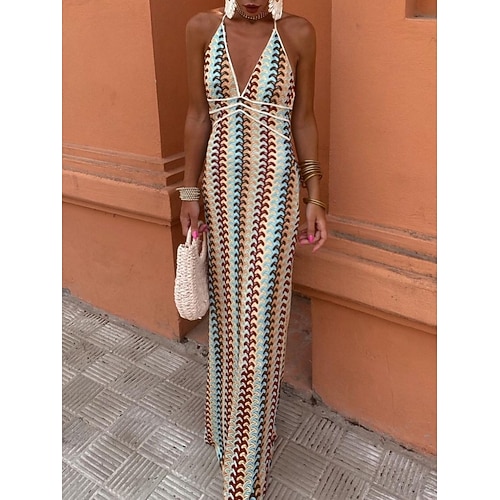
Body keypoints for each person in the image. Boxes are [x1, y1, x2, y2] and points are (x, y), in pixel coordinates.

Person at [178, 1, 327, 497]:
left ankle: (244, 470)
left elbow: (303, 120)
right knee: (227, 314)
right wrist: (188, 192)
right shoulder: (202, 29)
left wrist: (315, 197)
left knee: (262, 320)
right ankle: (224, 425)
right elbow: (197, 115)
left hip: (277, 192)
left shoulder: (298, 33)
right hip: (218, 190)